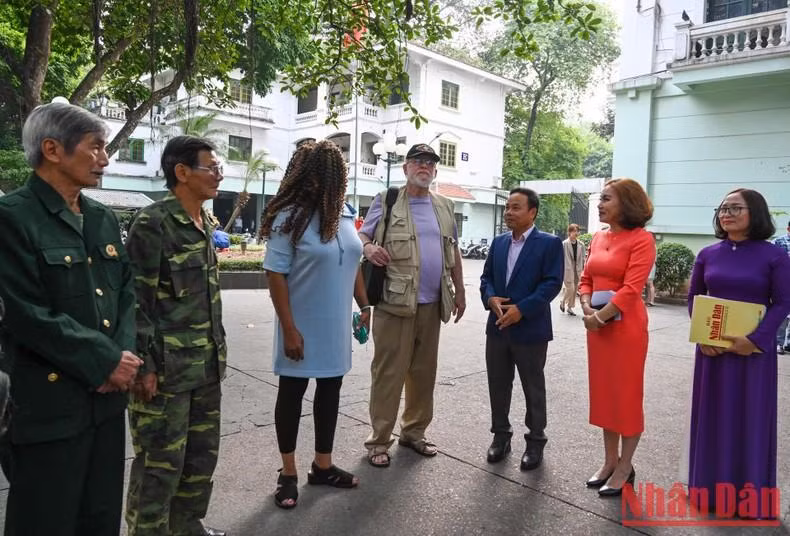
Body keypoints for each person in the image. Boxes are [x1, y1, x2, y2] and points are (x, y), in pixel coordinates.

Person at [0, 102, 142, 535]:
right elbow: (25, 313)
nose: (105, 158)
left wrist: (123, 357)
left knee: (99, 517)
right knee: (45, 518)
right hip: (47, 405)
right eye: (96, 147)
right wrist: (103, 361)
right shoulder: (12, 217)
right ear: (52, 149)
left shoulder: (100, 217)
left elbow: (125, 294)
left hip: (105, 403)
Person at [124, 136, 227, 536]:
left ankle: (187, 527)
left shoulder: (205, 222)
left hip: (205, 368)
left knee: (200, 460)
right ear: (181, 172)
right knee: (159, 465)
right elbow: (135, 300)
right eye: (211, 167)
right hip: (164, 375)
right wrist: (143, 366)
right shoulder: (154, 223)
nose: (219, 174)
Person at [261, 141, 370, 508]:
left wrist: (364, 303)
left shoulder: (343, 213)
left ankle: (322, 466)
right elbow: (275, 275)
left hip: (336, 324)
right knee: (292, 393)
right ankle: (287, 472)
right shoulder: (288, 217)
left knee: (330, 390)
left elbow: (352, 261)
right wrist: (289, 329)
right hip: (301, 324)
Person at [359, 143, 466, 467]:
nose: (425, 167)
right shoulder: (387, 200)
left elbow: (454, 251)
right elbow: (362, 236)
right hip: (394, 302)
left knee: (423, 373)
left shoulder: (445, 206)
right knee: (388, 373)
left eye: (430, 163)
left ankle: (414, 432)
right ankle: (379, 441)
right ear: (406, 167)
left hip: (432, 304)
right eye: (418, 161)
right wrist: (368, 250)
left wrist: (460, 290)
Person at [687, 189, 790, 518]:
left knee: (750, 417)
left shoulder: (774, 256)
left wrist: (757, 339)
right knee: (713, 416)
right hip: (712, 352)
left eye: (735, 208)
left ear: (755, 213)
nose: (726, 213)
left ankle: (749, 499)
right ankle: (707, 492)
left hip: (753, 354)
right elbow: (695, 297)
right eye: (723, 208)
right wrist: (704, 336)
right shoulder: (708, 253)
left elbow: (784, 302)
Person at [579, 178, 655, 497]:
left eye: (607, 199)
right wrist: (585, 306)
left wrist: (599, 316)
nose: (600, 204)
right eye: (601, 198)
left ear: (627, 203)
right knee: (605, 395)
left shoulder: (642, 240)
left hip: (624, 329)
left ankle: (626, 465)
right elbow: (586, 278)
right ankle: (610, 461)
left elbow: (631, 288)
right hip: (596, 329)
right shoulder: (598, 237)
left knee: (625, 396)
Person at [479, 188, 563, 469]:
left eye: (516, 208)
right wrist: (489, 298)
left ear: (532, 212)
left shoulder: (549, 244)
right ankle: (500, 437)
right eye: (507, 208)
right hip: (498, 328)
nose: (509, 213)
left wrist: (521, 310)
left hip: (530, 330)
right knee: (498, 386)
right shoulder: (499, 243)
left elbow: (552, 284)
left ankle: (536, 440)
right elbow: (486, 277)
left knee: (533, 387)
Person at [560, 223, 586, 316]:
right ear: (569, 232)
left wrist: (583, 269)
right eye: (574, 231)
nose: (576, 233)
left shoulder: (581, 244)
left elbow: (583, 257)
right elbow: (560, 258)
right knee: (571, 288)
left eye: (577, 231)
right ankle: (563, 302)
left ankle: (570, 308)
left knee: (575, 290)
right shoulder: (564, 244)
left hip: (577, 268)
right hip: (567, 268)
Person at [772, 221, 790, 354]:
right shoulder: (778, 242)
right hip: (783, 282)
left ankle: (788, 343)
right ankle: (778, 343)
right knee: (782, 314)